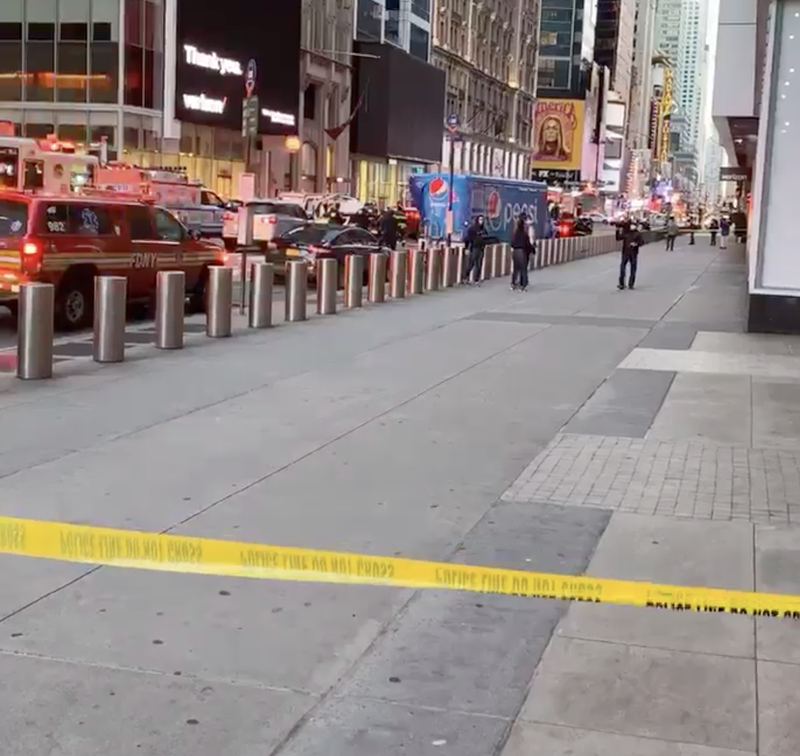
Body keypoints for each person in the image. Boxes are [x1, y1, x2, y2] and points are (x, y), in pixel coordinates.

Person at [511, 214, 535, 291]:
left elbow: (512, 243)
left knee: (515, 268)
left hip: (515, 252)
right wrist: (533, 250)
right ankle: (522, 285)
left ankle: (513, 284)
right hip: (523, 252)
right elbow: (527, 244)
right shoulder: (525, 234)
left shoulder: (515, 232)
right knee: (523, 269)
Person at [463, 215, 489, 285]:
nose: (481, 221)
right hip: (474, 248)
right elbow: (467, 239)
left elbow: (486, 237)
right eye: (480, 220)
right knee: (471, 263)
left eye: (482, 220)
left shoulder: (483, 229)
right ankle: (465, 277)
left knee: (479, 264)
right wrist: (467, 248)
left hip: (481, 248)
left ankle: (476, 279)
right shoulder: (472, 229)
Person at [619, 221, 644, 291]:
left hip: (633, 253)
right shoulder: (626, 233)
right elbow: (618, 238)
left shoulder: (637, 234)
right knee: (622, 267)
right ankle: (621, 283)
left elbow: (641, 242)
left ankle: (631, 284)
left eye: (633, 225)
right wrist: (618, 230)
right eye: (631, 225)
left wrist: (636, 244)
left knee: (633, 268)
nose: (632, 226)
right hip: (625, 252)